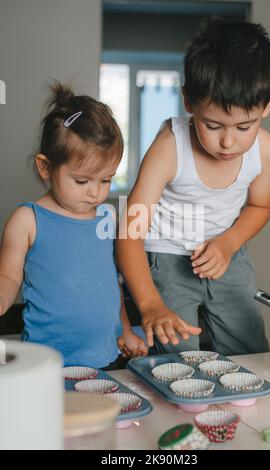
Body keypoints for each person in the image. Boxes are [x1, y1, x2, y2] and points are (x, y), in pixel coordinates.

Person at [116, 18, 270, 356]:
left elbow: (259, 206)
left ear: (267, 105)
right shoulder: (169, 147)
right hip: (169, 257)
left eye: (245, 126)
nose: (229, 142)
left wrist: (228, 243)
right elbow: (130, 231)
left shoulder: (265, 150)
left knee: (249, 350)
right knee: (178, 357)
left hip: (228, 254)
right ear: (189, 102)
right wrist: (149, 305)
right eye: (213, 125)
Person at [0, 82, 147, 368]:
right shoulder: (28, 220)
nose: (96, 192)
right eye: (82, 181)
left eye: (106, 179)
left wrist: (126, 331)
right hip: (47, 362)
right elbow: (8, 277)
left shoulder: (107, 217)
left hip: (105, 358)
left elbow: (110, 283)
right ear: (46, 168)